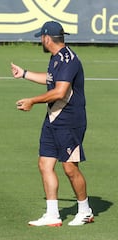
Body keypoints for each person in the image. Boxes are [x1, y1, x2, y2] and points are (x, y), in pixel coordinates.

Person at [10, 21, 94, 226]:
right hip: (53, 118)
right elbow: (50, 81)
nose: (41, 40)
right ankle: (52, 214)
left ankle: (85, 211)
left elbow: (60, 92)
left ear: (47, 38)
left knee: (69, 168)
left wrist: (32, 101)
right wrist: (25, 74)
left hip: (70, 121)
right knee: (44, 163)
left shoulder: (69, 60)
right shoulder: (55, 58)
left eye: (41, 37)